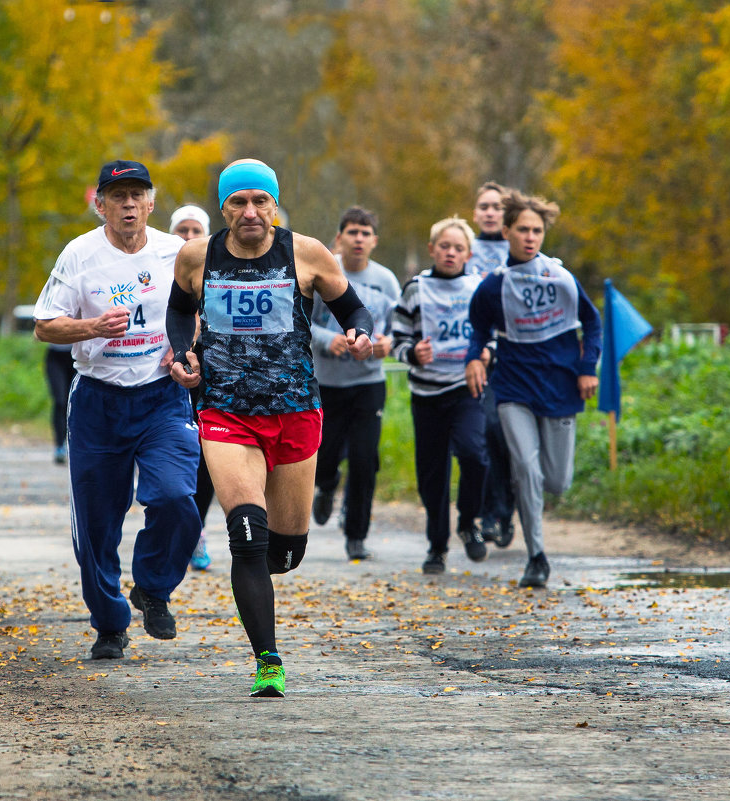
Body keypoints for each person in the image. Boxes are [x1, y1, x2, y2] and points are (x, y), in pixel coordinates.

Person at [167, 158, 374, 697]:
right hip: (225, 413)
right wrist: (182, 353)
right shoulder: (196, 256)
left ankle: (278, 558)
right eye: (238, 202)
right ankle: (268, 660)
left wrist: (357, 332)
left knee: (284, 552)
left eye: (261, 201)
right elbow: (177, 311)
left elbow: (354, 308)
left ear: (275, 205)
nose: (251, 212)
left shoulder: (305, 253)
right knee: (247, 539)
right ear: (223, 207)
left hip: (294, 413)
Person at [33, 160, 201, 661]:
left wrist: (184, 348)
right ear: (100, 204)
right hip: (98, 402)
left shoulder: (178, 253)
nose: (128, 205)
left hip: (161, 398)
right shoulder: (80, 254)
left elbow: (200, 314)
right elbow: (45, 326)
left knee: (176, 498)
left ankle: (152, 587)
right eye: (117, 196)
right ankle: (109, 623)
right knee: (97, 524)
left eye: (137, 195)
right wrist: (91, 328)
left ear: (153, 203)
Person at [465, 189, 602, 588]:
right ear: (506, 232)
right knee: (525, 468)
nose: (530, 237)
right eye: (522, 230)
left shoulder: (560, 277)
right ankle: (536, 557)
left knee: (556, 481)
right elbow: (478, 330)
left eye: (537, 231)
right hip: (513, 389)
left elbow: (592, 324)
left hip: (560, 387)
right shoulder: (494, 285)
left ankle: (526, 493)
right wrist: (474, 358)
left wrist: (587, 367)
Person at [392, 217, 489, 574]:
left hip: (467, 387)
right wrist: (414, 353)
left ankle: (468, 522)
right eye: (444, 247)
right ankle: (437, 547)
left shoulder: (479, 286)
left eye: (458, 248)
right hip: (427, 394)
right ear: (432, 249)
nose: (451, 253)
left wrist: (485, 354)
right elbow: (398, 339)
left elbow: (493, 332)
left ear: (469, 253)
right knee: (432, 475)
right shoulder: (416, 288)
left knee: (474, 454)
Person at [310, 206, 400, 561]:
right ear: (339, 237)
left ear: (374, 241)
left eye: (365, 233)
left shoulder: (386, 280)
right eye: (352, 232)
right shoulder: (323, 270)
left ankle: (356, 535)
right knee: (325, 454)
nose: (358, 239)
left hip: (368, 383)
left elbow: (400, 326)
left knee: (365, 459)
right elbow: (298, 319)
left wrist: (389, 343)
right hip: (326, 383)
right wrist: (323, 339)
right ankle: (327, 485)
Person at [467, 181, 517, 549]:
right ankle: (488, 514)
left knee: (506, 436)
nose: (489, 212)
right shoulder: (464, 249)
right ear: (475, 213)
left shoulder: (520, 248)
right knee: (483, 433)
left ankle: (506, 513)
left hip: (514, 353)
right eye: (483, 206)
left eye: (497, 207)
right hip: (477, 352)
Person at [169, 204, 216, 571]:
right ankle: (174, 527)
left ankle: (194, 530)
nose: (188, 237)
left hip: (207, 377)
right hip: (162, 378)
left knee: (206, 460)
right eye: (182, 230)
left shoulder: (218, 267)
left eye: (195, 230)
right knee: (174, 461)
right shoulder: (155, 265)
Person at [43, 344, 76, 464]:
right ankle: (59, 445)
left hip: (77, 357)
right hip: (55, 357)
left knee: (73, 402)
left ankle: (74, 443)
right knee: (60, 401)